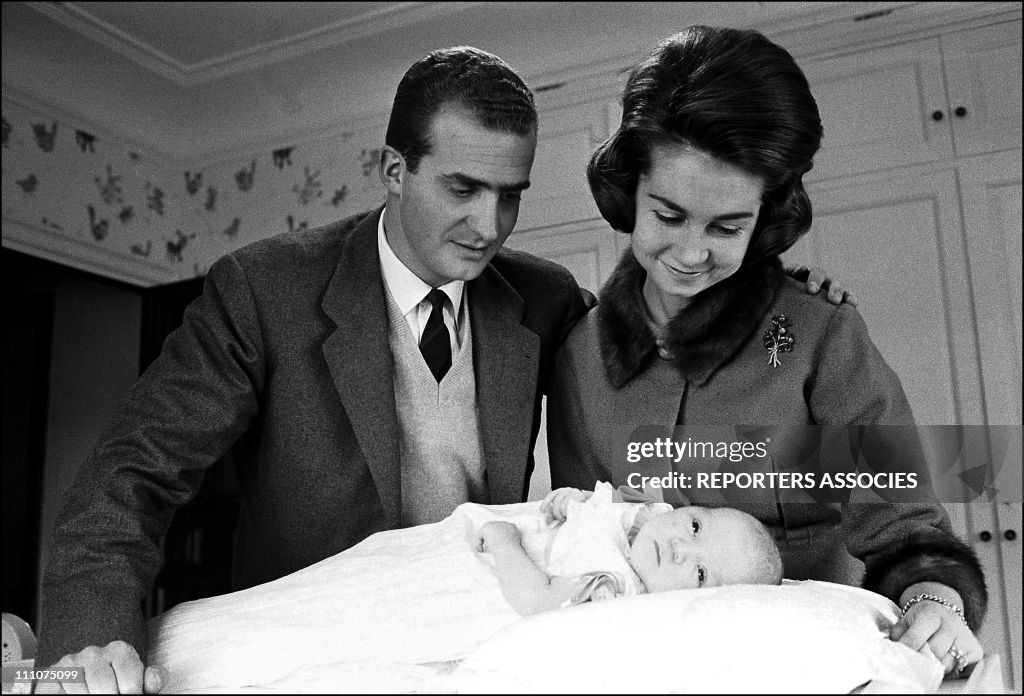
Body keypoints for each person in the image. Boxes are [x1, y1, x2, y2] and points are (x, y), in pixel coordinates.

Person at [35, 44, 849, 694]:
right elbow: (133, 474)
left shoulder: (544, 299)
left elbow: (662, 356)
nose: (489, 225)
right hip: (318, 646)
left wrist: (771, 298)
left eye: (511, 194)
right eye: (462, 188)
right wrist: (90, 636)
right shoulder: (265, 290)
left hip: (482, 649)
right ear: (396, 171)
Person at [546, 25, 987, 681]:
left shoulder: (819, 338)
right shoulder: (579, 357)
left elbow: (906, 532)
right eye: (668, 215)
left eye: (727, 227)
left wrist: (933, 601)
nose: (692, 254)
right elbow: (587, 540)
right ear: (627, 192)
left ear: (765, 217)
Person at [477, 482, 782, 615]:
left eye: (700, 572)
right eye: (695, 528)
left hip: (502, 550)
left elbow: (535, 600)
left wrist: (503, 539)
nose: (680, 548)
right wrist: (575, 498)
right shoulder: (653, 507)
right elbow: (601, 495)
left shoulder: (614, 586)